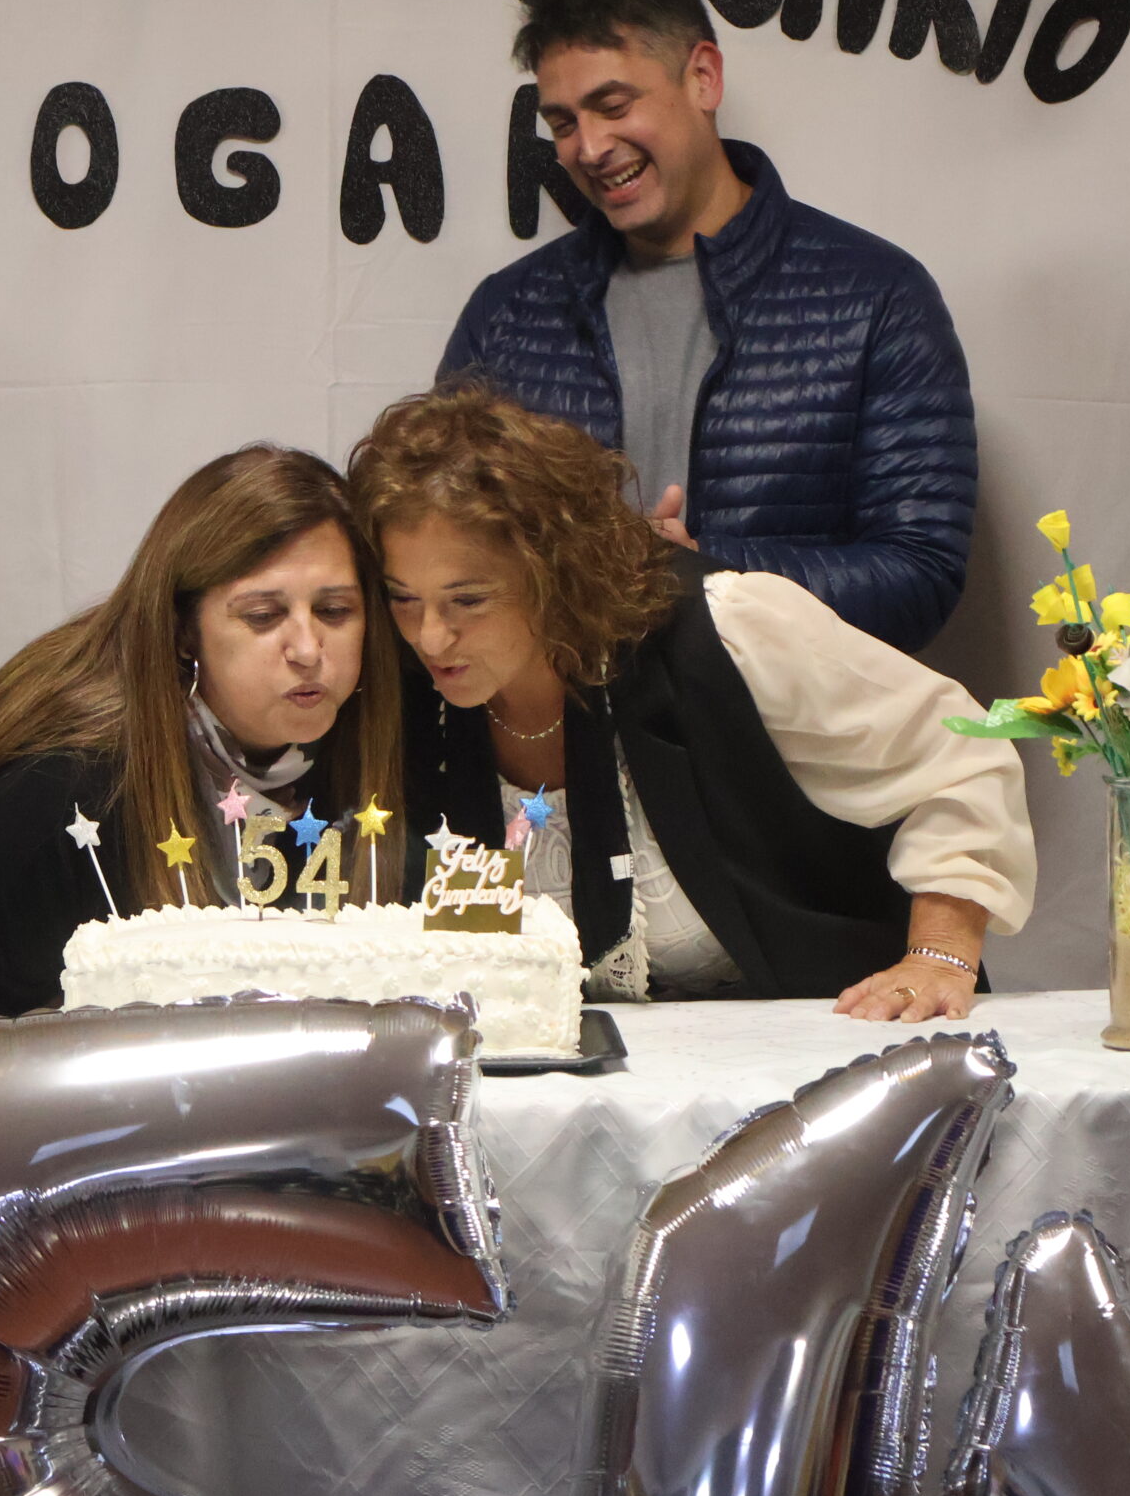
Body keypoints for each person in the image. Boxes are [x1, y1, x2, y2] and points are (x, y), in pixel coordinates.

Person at [352, 385, 1031, 1021]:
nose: (430, 636)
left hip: (833, 1042)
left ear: (553, 571)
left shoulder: (724, 630)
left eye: (468, 599)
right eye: (403, 598)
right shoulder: (418, 695)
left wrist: (939, 955)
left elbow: (958, 751)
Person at [437, 0, 976, 652]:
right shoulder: (505, 315)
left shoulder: (878, 298)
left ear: (703, 78)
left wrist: (706, 574)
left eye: (612, 105)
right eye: (563, 123)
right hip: (566, 717)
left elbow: (921, 573)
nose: (589, 148)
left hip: (783, 724)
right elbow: (438, 548)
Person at [0, 446, 401, 1021]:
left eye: (335, 611)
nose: (308, 650)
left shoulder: (367, 738)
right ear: (184, 631)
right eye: (263, 616)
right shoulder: (65, 782)